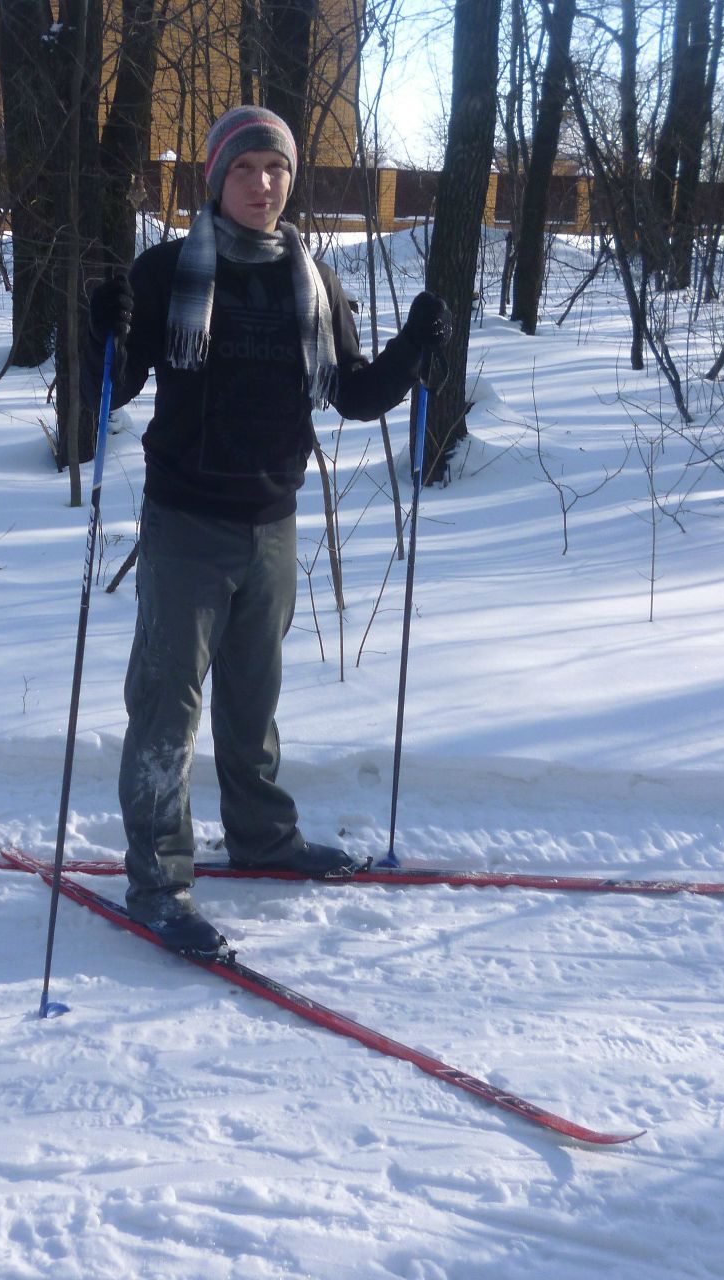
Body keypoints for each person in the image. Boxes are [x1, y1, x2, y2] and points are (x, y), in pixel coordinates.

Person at [85, 104, 450, 957]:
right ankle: (160, 881)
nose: (263, 185)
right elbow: (121, 379)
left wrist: (411, 348)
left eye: (277, 170)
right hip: (185, 527)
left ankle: (261, 837)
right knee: (165, 715)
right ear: (216, 180)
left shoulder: (313, 281)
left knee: (253, 708)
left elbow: (353, 394)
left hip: (272, 527)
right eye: (246, 170)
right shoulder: (169, 270)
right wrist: (104, 326)